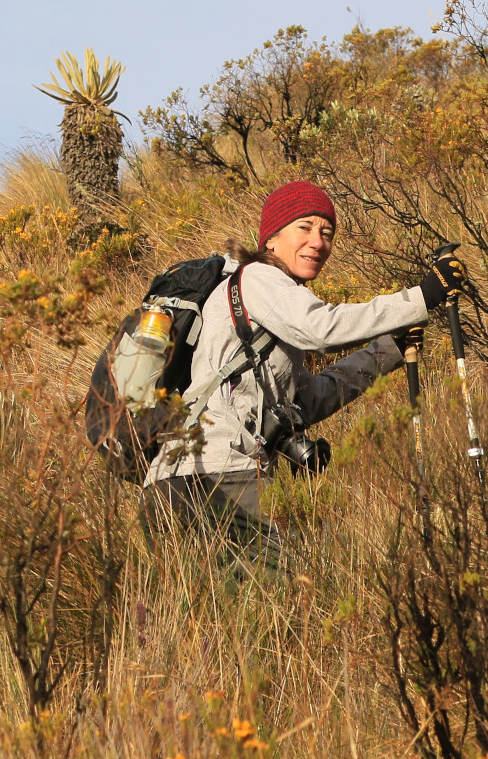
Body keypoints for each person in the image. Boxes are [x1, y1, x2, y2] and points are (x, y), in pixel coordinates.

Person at [141, 179, 466, 572]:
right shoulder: (259, 278)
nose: (318, 241)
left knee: (209, 619)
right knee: (277, 597)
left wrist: (388, 350)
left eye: (326, 232)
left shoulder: (258, 306)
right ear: (272, 239)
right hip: (220, 472)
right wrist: (421, 297)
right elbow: (321, 330)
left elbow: (305, 401)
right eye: (305, 227)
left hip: (171, 479)